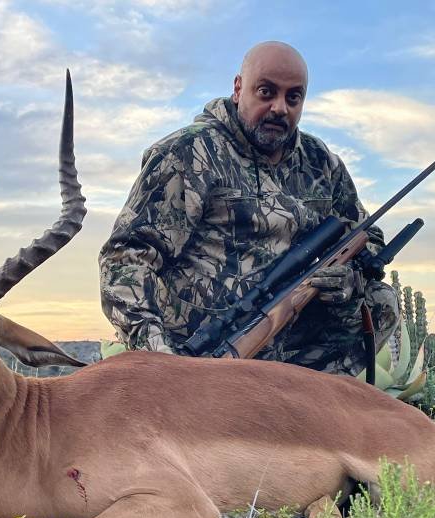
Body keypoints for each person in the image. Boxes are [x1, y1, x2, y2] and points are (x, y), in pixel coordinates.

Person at [98, 41, 399, 376]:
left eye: (293, 98)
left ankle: (303, 416)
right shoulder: (189, 153)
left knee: (380, 302)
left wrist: (348, 279)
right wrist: (164, 364)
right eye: (266, 92)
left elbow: (366, 237)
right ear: (239, 88)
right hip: (201, 350)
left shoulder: (321, 162)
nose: (279, 108)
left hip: (294, 336)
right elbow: (124, 260)